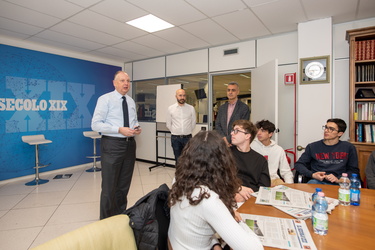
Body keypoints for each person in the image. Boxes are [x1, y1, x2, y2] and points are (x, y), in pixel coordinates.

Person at [168, 131, 263, 250]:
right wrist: (237, 221)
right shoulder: (208, 199)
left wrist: (215, 244)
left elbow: (196, 226)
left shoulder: (179, 179)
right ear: (223, 161)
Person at [92, 71, 142, 220]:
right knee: (109, 187)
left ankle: (119, 216)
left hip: (129, 145)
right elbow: (95, 124)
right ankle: (105, 220)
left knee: (123, 186)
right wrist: (118, 130)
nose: (126, 83)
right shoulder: (105, 99)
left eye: (128, 80)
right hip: (112, 145)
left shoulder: (131, 101)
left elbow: (133, 121)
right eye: (122, 80)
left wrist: (136, 128)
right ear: (114, 83)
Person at [294, 118, 359, 185]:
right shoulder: (313, 147)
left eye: (331, 129)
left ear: (340, 133)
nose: (326, 131)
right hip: (317, 181)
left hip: (340, 182)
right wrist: (312, 175)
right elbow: (299, 165)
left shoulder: (349, 147)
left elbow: (353, 170)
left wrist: (339, 179)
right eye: (326, 127)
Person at [230, 120, 270, 202]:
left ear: (247, 136)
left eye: (236, 131)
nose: (232, 133)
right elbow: (216, 179)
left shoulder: (260, 160)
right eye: (233, 130)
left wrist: (246, 196)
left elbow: (264, 187)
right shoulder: (224, 154)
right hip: (228, 197)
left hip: (252, 200)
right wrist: (237, 189)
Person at [251, 120, 294, 186]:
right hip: (256, 180)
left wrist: (290, 186)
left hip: (273, 180)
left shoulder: (278, 149)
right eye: (258, 130)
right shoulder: (251, 146)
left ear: (270, 134)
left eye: (262, 131)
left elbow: (286, 171)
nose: (258, 133)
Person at [215, 82, 250, 147]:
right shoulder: (222, 108)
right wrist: (224, 139)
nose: (230, 92)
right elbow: (217, 125)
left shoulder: (244, 108)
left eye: (233, 90)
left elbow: (242, 127)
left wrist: (228, 139)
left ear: (238, 92)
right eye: (228, 90)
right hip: (223, 143)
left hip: (237, 144)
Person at [166, 89, 196, 163]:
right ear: (176, 96)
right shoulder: (171, 109)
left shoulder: (191, 108)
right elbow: (168, 124)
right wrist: (175, 131)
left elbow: (193, 123)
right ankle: (179, 175)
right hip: (176, 139)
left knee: (188, 160)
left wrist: (187, 131)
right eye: (180, 95)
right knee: (178, 160)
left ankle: (187, 175)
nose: (182, 97)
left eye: (184, 95)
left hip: (188, 138)